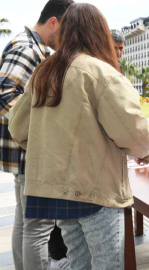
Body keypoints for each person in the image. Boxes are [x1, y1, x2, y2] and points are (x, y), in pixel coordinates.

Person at [8, 3, 149, 269]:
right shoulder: (100, 72)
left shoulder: (44, 71)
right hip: (95, 189)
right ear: (98, 32)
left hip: (56, 189)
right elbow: (136, 137)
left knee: (77, 259)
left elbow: (17, 128)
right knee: (107, 262)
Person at [0, 0, 73, 269]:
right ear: (53, 22)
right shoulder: (29, 48)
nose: (65, 39)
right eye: (65, 30)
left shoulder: (29, 44)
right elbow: (5, 90)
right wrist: (35, 130)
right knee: (39, 227)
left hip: (26, 151)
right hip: (32, 151)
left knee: (26, 222)